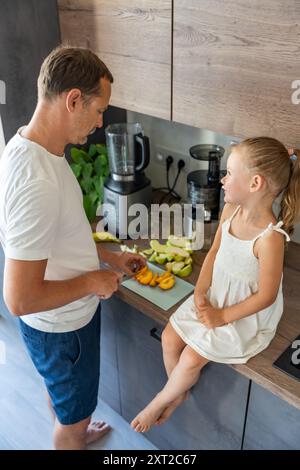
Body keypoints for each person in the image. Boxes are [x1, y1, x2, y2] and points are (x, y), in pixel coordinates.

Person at [0, 46, 146, 449]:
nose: (100, 124)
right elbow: (20, 299)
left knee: (66, 404)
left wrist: (108, 257)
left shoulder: (35, 149)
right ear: (73, 100)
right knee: (71, 422)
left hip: (53, 328)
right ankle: (73, 432)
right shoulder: (37, 181)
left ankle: (73, 424)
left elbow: (62, 232)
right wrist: (92, 282)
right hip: (62, 329)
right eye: (98, 111)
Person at [131, 136, 300, 433]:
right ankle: (177, 392)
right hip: (217, 294)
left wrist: (221, 317)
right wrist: (199, 290)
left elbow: (267, 296)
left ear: (255, 183)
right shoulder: (230, 212)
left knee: (192, 357)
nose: (223, 179)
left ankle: (161, 398)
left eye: (230, 173)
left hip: (243, 313)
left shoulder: (271, 238)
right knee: (170, 339)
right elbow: (213, 253)